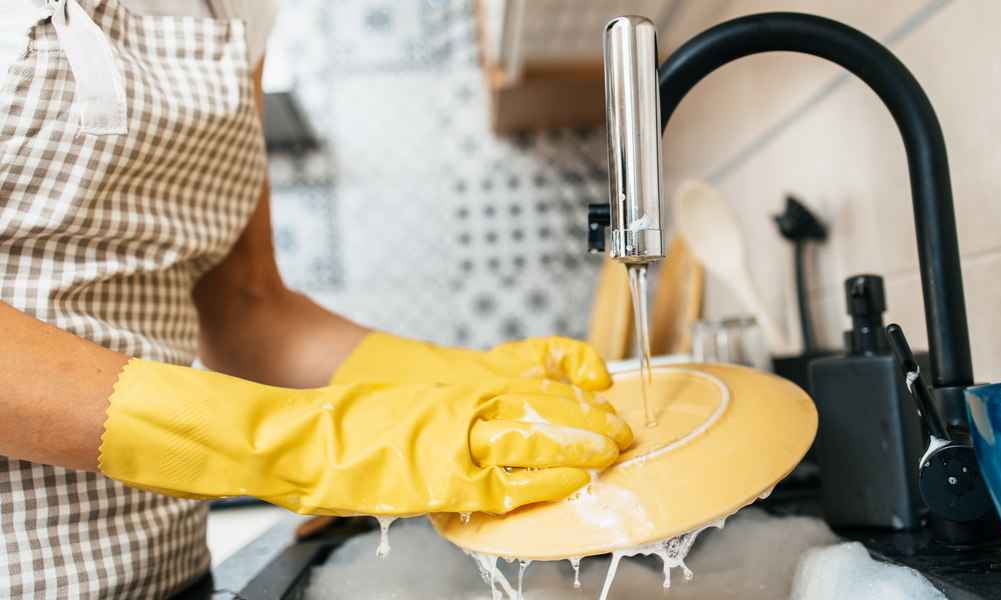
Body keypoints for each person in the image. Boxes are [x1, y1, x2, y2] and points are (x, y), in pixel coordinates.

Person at [0, 0, 630, 597]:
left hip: (170, 570)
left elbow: (251, 308)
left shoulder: (235, 12)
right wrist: (304, 443)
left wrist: (466, 379)